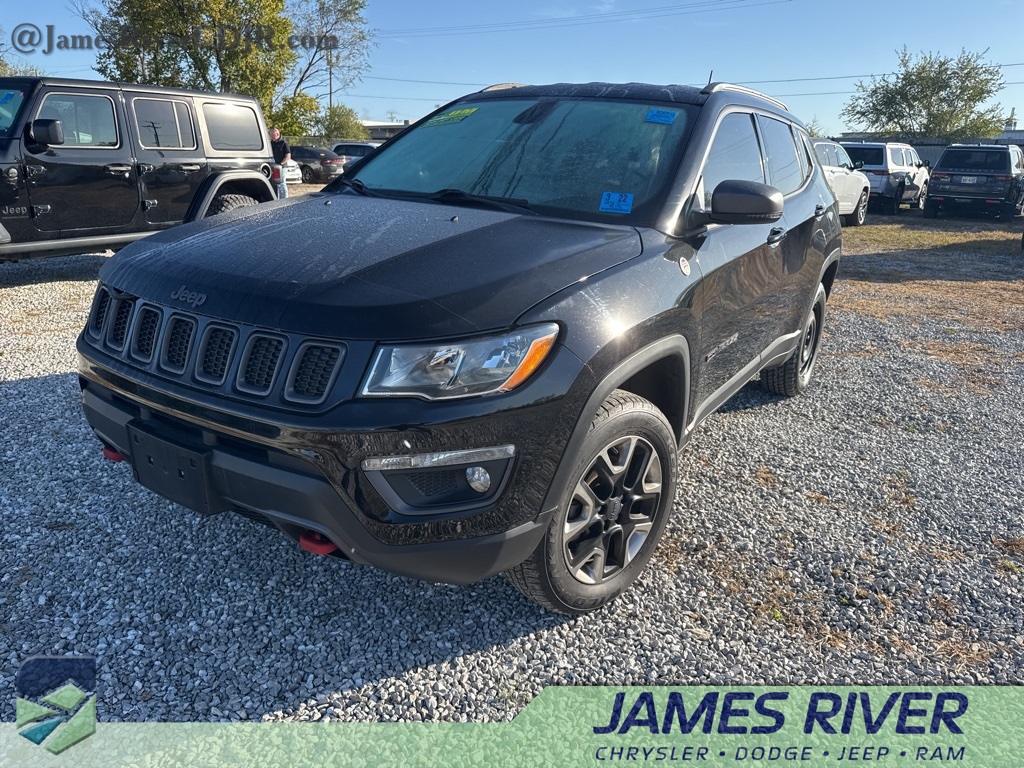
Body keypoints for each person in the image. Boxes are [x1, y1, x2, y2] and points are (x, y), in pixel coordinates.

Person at [269, 127, 291, 199]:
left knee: (281, 183)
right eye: (270, 135)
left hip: (282, 168)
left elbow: (288, 156)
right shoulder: (270, 144)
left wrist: (280, 164)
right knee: (274, 184)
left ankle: (284, 199)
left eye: (272, 135)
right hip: (272, 167)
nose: (271, 136)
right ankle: (277, 199)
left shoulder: (284, 143)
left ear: (277, 134)